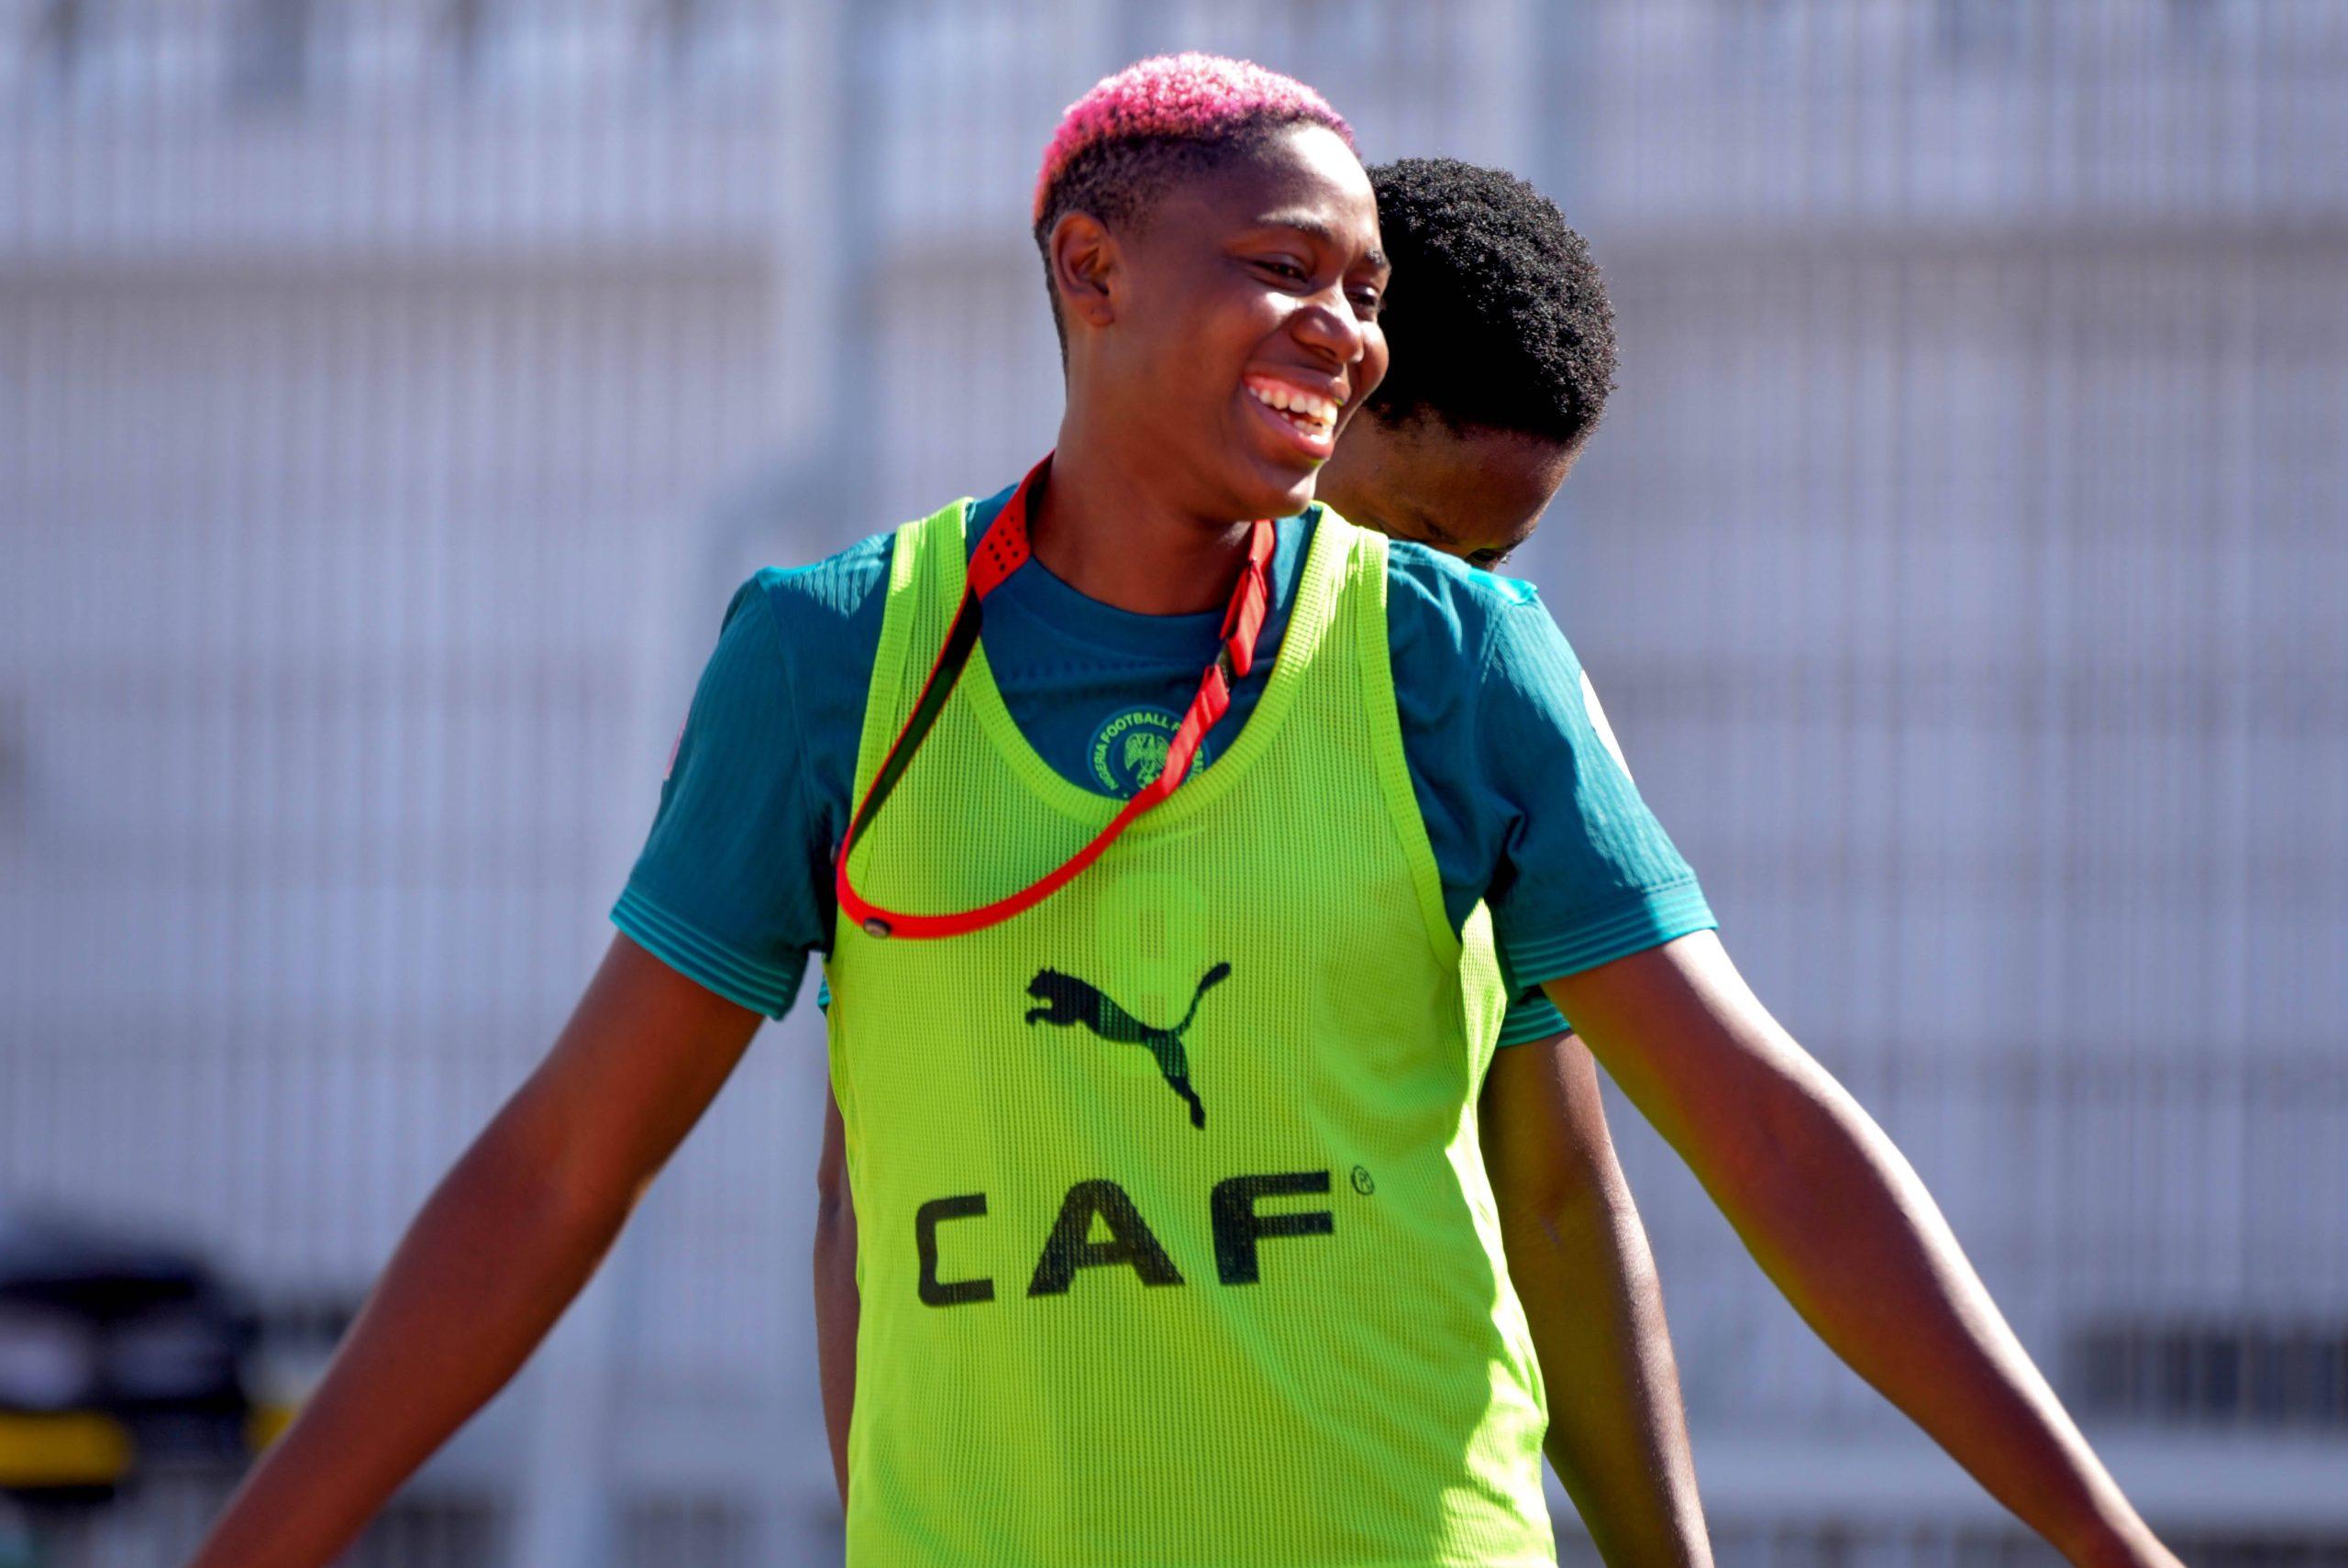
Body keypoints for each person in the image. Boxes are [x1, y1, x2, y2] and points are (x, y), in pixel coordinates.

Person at [187, 53, 2185, 1568]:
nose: (1342, 323)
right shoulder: (830, 665)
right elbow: (564, 1173)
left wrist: (2109, 1545)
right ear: (1089, 270)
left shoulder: (1449, 661)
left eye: (1364, 287)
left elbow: (1749, 1138)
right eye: (1280, 270)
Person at [809, 153, 1714, 1564]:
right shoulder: (956, 676)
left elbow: (1555, 1193)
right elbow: (871, 1214)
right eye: (1418, 535)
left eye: (1498, 555)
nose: (1454, 595)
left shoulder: (1477, 707)